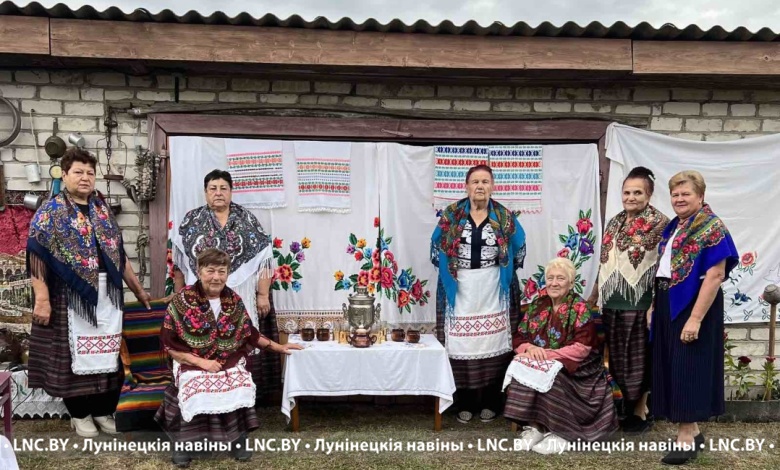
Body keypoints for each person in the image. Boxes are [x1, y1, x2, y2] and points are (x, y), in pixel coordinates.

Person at [27, 147, 151, 437]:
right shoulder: (51, 212)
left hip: (107, 296)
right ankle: (79, 414)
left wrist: (138, 290)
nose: (85, 178)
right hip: (69, 297)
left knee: (107, 353)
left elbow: (118, 254)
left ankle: (102, 410)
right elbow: (36, 256)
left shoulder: (101, 209)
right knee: (71, 356)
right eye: (78, 172)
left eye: (90, 173)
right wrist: (42, 300)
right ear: (65, 175)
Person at [157, 248, 302, 467]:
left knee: (240, 381)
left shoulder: (233, 299)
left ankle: (238, 439)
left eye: (222, 271)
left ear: (228, 273)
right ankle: (184, 445)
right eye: (210, 271)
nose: (216, 277)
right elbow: (169, 344)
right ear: (199, 271)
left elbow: (250, 334)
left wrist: (279, 347)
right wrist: (202, 363)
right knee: (195, 385)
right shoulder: (182, 300)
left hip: (227, 358)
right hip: (191, 360)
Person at [172, 169, 280, 403]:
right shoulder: (192, 220)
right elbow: (179, 260)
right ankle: (205, 397)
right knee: (201, 339)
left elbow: (264, 258)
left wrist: (263, 295)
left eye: (223, 188)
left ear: (231, 192)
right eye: (213, 188)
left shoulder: (246, 219)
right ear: (205, 192)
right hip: (200, 295)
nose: (218, 193)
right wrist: (179, 292)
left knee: (240, 338)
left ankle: (239, 397)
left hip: (238, 292)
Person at [652, 170, 738, 465]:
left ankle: (686, 436)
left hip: (694, 304)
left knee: (687, 366)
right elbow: (666, 268)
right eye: (675, 194)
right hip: (668, 299)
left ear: (701, 197)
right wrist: (655, 304)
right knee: (672, 365)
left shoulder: (711, 227)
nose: (679, 199)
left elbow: (714, 275)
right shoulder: (676, 226)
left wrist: (696, 319)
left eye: (685, 193)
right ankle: (694, 430)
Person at [431, 164, 526, 424]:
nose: (480, 186)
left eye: (485, 181)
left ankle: (491, 402)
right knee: (459, 345)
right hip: (459, 288)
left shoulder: (504, 216)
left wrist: (498, 272)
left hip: (494, 285)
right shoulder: (451, 215)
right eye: (475, 182)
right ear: (467, 186)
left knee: (495, 344)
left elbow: (518, 250)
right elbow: (436, 249)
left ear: (492, 186)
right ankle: (463, 402)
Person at [504, 258, 618, 454]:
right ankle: (534, 427)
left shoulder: (579, 307)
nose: (554, 283)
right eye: (550, 278)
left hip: (579, 367)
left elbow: (582, 348)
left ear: (571, 283)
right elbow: (518, 337)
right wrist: (530, 349)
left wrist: (548, 355)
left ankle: (562, 433)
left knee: (553, 375)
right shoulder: (537, 305)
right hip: (541, 359)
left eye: (560, 278)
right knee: (520, 366)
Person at [589, 166, 669, 432]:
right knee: (618, 358)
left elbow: (664, 267)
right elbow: (605, 263)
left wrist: (655, 303)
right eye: (627, 192)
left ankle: (641, 409)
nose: (631, 197)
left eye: (637, 192)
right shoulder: (615, 221)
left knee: (639, 358)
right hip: (612, 301)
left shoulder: (661, 223)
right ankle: (624, 404)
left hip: (640, 302)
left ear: (649, 194)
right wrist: (595, 294)